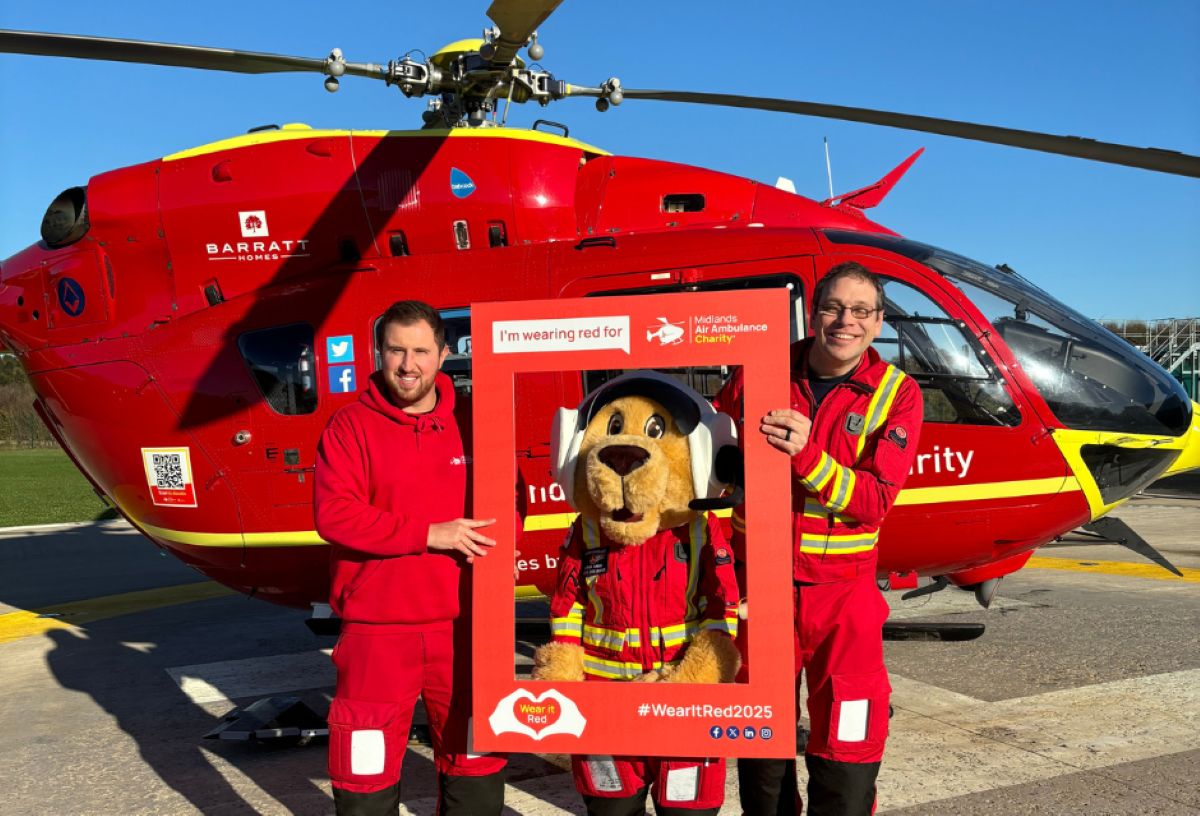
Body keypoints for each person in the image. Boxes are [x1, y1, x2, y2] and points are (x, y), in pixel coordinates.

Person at [714, 262, 923, 816]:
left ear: (878, 322)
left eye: (860, 311)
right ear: (813, 312)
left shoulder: (897, 395)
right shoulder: (759, 368)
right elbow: (711, 459)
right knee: (760, 733)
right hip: (762, 588)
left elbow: (874, 501)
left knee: (850, 732)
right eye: (833, 307)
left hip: (844, 597)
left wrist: (806, 454)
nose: (844, 321)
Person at [315, 300, 506, 816]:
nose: (408, 364)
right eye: (396, 350)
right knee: (364, 766)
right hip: (378, 630)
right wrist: (429, 534)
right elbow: (334, 515)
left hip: (463, 628)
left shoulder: (475, 423)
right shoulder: (350, 426)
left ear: (444, 354)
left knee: (476, 757)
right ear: (378, 354)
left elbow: (514, 500)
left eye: (420, 351)